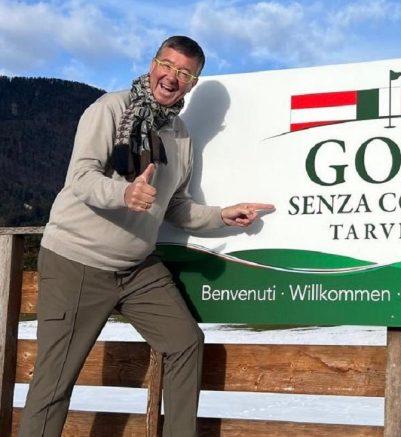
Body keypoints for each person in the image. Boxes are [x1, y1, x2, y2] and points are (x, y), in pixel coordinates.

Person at [18, 36, 274, 437]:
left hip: (136, 268)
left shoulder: (181, 136)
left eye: (184, 73)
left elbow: (176, 207)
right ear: (153, 64)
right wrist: (125, 193)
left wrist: (223, 215)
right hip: (77, 262)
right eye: (167, 66)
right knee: (54, 383)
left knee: (185, 342)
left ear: (193, 83)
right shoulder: (110, 109)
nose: (172, 78)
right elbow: (81, 178)